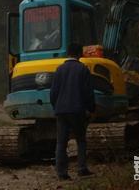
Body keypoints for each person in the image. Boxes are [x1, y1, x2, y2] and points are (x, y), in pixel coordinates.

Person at [50, 43, 95, 180]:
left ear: (68, 54)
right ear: (79, 54)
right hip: (77, 110)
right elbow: (88, 92)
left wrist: (56, 107)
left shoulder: (59, 69)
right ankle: (82, 169)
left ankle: (61, 173)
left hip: (61, 111)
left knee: (61, 142)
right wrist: (91, 108)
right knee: (81, 140)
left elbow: (53, 93)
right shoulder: (83, 69)